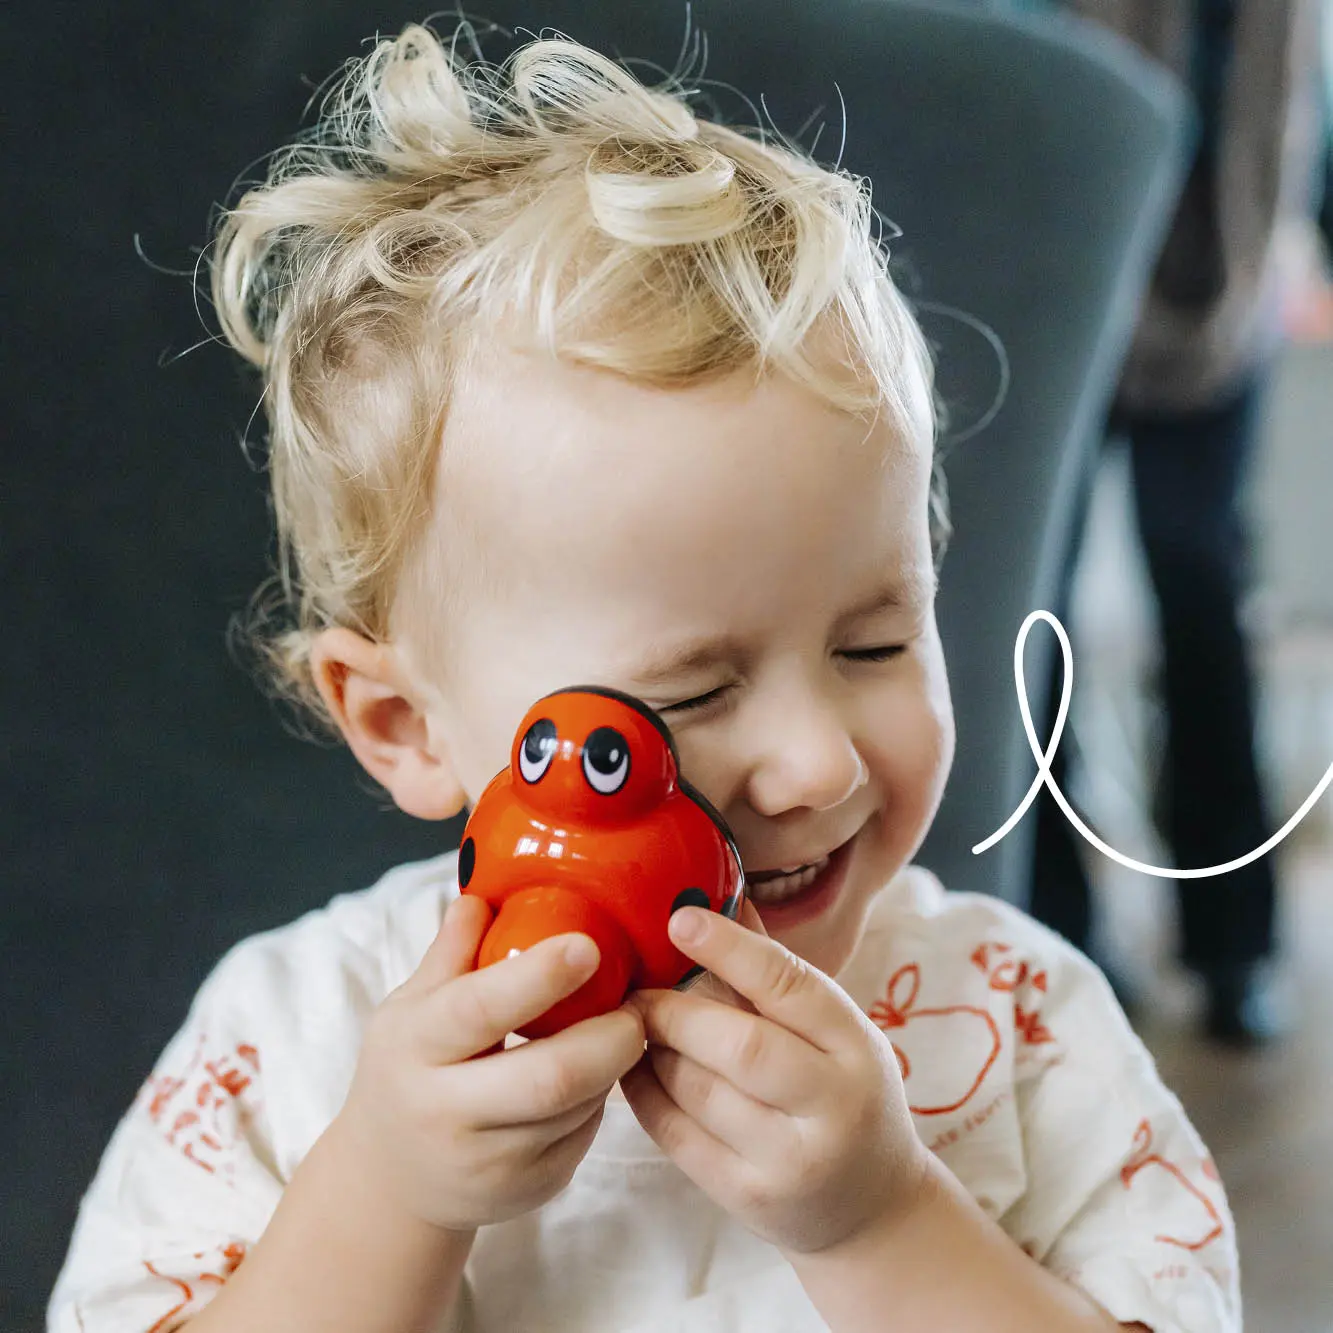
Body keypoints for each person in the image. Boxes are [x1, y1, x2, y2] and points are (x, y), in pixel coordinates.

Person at [49, 23, 1240, 1333]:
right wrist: (385, 1196)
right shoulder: (294, 1036)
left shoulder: (1015, 1022)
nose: (819, 762)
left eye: (874, 644)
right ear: (402, 724)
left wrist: (883, 1221)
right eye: (683, 699)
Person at [1028, 0, 1328, 1045]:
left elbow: (1300, 107)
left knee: (1201, 584)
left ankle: (1233, 943)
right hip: (1060, 289)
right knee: (1034, 613)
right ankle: (1056, 932)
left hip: (1224, 310)